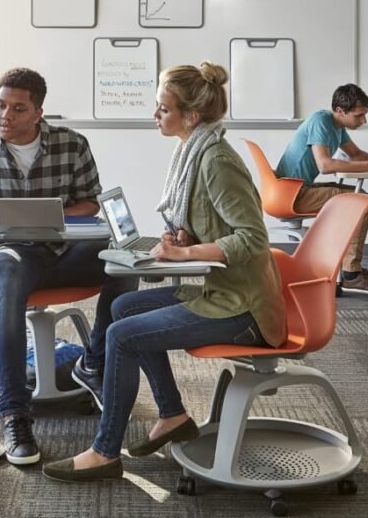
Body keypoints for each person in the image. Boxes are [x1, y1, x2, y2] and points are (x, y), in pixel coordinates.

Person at [42, 62, 284, 482]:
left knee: (121, 335)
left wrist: (186, 250)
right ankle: (171, 414)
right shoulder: (194, 152)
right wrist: (185, 237)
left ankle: (105, 452)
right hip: (218, 292)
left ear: (190, 116)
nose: (155, 116)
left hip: (242, 309)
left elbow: (254, 239)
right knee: (123, 307)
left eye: (163, 109)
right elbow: (220, 225)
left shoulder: (215, 162)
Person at [0, 67, 138, 466]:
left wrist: (53, 217)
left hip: (65, 251)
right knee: (8, 271)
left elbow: (91, 201)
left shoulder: (72, 144)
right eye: (1, 105)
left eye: (18, 108)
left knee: (123, 258)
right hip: (11, 254)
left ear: (38, 112)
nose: (6, 115)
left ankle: (93, 362)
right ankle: (15, 414)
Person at [273, 84, 368, 295]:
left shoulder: (337, 127)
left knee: (361, 199)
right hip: (291, 195)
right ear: (340, 110)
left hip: (297, 190)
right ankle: (351, 275)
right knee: (360, 204)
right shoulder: (321, 121)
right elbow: (325, 165)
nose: (363, 121)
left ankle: (349, 269)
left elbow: (355, 154)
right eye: (359, 115)